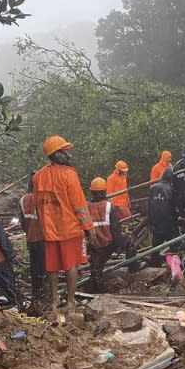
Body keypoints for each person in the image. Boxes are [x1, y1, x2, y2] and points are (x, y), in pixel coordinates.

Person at [33, 135, 93, 316]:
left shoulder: (38, 177)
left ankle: (54, 300)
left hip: (49, 230)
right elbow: (79, 204)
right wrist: (88, 227)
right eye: (65, 150)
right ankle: (71, 301)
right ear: (57, 154)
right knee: (70, 265)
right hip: (69, 229)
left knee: (52, 267)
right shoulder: (69, 175)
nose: (69, 152)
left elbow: (38, 205)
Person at [86, 177, 129, 293]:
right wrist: (119, 244)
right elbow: (115, 229)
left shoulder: (86, 206)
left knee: (96, 268)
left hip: (93, 244)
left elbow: (84, 228)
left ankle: (93, 289)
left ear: (92, 192)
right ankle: (133, 266)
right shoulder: (109, 206)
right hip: (107, 244)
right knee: (129, 239)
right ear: (104, 191)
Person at [18, 172, 45, 306]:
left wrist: (29, 231)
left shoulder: (23, 200)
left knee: (35, 267)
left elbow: (22, 222)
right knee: (44, 267)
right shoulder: (42, 198)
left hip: (31, 239)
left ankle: (36, 292)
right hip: (43, 239)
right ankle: (44, 293)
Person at [150, 167, 180, 264]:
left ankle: (154, 264)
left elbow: (149, 206)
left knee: (155, 248)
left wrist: (151, 221)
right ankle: (176, 268)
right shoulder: (172, 189)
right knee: (175, 247)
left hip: (156, 223)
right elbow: (176, 206)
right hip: (169, 224)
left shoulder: (153, 188)